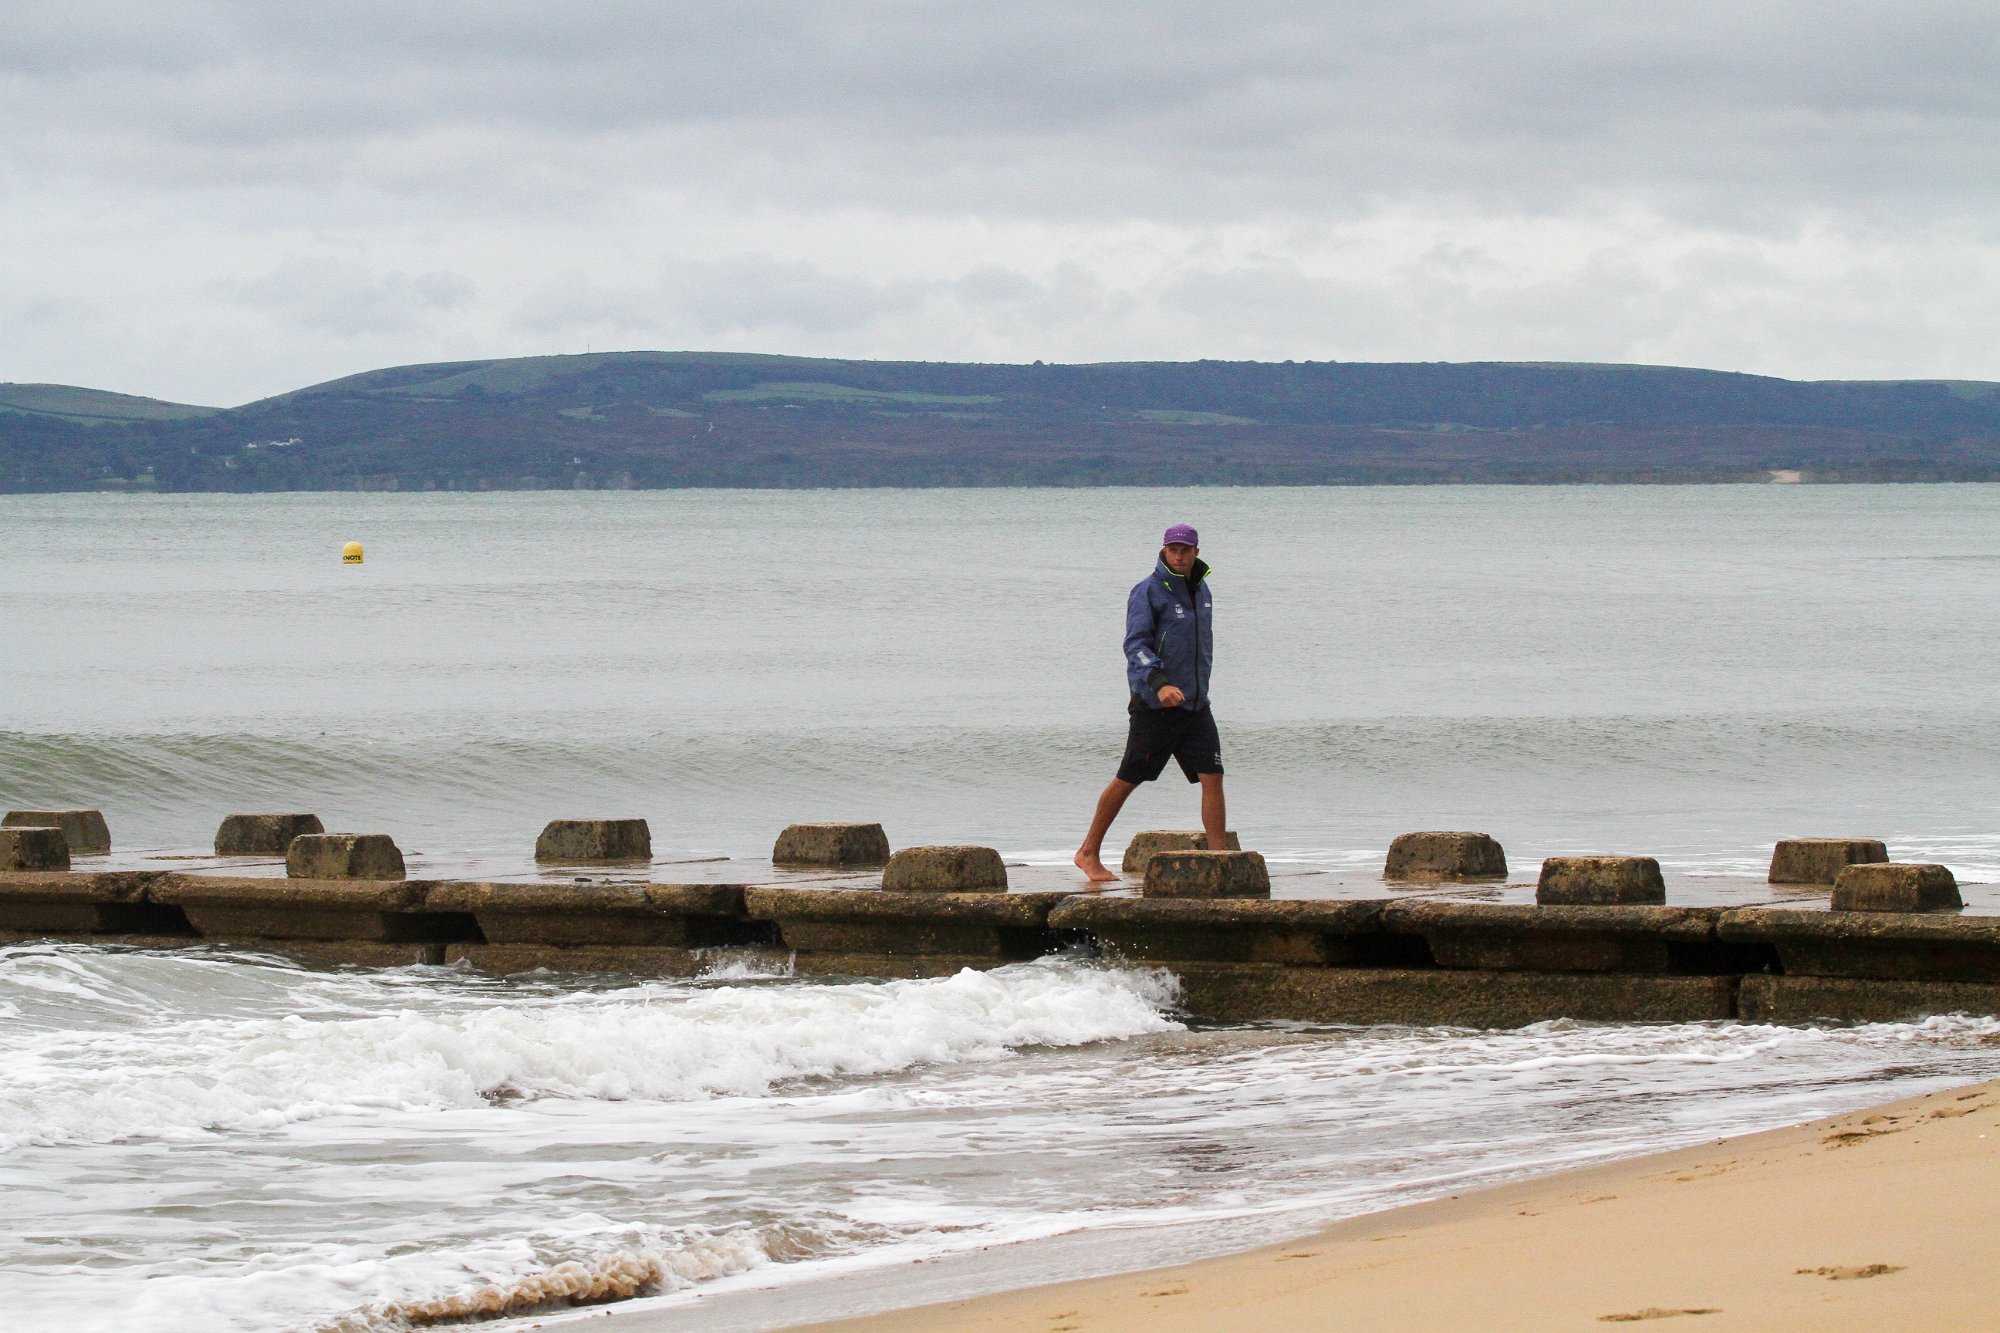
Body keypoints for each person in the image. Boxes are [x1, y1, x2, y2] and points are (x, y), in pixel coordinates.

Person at [1074, 523, 1226, 882]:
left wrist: (1194, 689)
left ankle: (1222, 860)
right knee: (1129, 777)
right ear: (1164, 551)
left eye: (1186, 550)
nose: (1179, 555)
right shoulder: (1148, 591)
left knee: (1213, 775)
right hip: (1155, 706)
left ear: (1196, 553)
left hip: (1194, 704)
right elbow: (1135, 646)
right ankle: (1088, 852)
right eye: (1173, 549)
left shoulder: (1201, 590)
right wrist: (1159, 683)